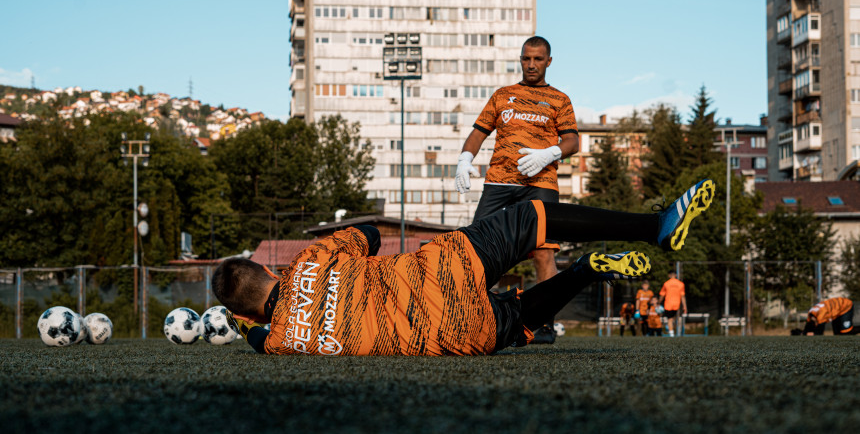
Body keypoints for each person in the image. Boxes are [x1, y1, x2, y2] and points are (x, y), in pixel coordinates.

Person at [213, 180, 715, 356]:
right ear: (268, 272)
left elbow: (257, 340)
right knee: (528, 218)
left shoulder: (280, 341)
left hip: (448, 329)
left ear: (248, 311)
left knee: (518, 320)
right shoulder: (309, 260)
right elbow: (369, 235)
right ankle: (654, 226)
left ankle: (585, 269)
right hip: (439, 269)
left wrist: (247, 324)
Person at [454, 36, 579, 343]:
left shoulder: (560, 100)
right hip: (499, 182)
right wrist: (463, 160)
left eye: (538, 59)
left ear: (549, 61)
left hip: (541, 184)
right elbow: (478, 132)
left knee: (543, 252)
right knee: (480, 248)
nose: (532, 64)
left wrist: (549, 153)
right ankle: (478, 319)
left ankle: (544, 324)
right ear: (520, 59)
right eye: (526, 58)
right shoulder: (503, 95)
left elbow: (573, 142)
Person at [791, 297, 859, 336]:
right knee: (837, 333)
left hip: (845, 305)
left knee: (845, 332)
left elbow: (820, 333)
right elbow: (809, 325)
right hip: (836, 310)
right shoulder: (811, 313)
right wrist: (804, 332)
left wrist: (811, 333)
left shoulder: (820, 315)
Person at [659, 271, 687, 337]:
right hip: (677, 304)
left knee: (670, 319)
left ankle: (671, 333)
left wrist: (659, 302)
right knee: (675, 318)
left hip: (668, 304)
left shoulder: (666, 283)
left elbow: (662, 295)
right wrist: (685, 306)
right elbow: (682, 296)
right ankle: (676, 331)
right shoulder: (681, 284)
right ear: (676, 275)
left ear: (669, 275)